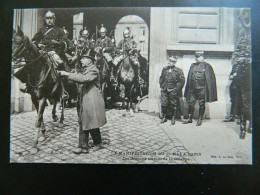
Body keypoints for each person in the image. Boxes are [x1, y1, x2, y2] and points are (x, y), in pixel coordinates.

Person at [58, 48, 107, 154]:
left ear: (89, 60)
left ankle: (83, 147)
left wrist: (67, 74)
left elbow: (84, 79)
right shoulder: (87, 69)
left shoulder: (93, 70)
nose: (81, 60)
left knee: (85, 121)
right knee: (88, 121)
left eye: (83, 59)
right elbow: (81, 77)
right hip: (85, 99)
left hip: (92, 101)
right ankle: (96, 143)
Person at [19, 10, 70, 95]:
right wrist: (38, 45)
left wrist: (57, 43)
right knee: (31, 63)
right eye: (47, 18)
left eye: (51, 18)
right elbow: (33, 41)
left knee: (60, 63)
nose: (49, 20)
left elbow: (66, 42)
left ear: (54, 19)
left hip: (54, 52)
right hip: (42, 52)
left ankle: (63, 89)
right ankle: (28, 85)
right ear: (45, 19)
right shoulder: (42, 30)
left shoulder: (60, 30)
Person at [183, 51, 217, 126]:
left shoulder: (207, 66)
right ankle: (189, 118)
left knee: (202, 104)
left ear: (203, 57)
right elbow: (189, 77)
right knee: (191, 103)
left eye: (200, 57)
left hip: (202, 89)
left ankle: (200, 118)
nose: (198, 58)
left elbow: (210, 79)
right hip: (192, 89)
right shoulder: (192, 65)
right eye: (197, 57)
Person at [159, 56, 185, 125]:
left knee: (173, 104)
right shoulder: (164, 69)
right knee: (164, 103)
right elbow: (161, 78)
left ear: (175, 62)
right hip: (165, 89)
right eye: (170, 60)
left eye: (172, 61)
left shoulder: (178, 70)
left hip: (173, 90)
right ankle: (164, 117)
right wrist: (162, 86)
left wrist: (176, 89)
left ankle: (173, 117)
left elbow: (181, 81)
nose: (170, 62)